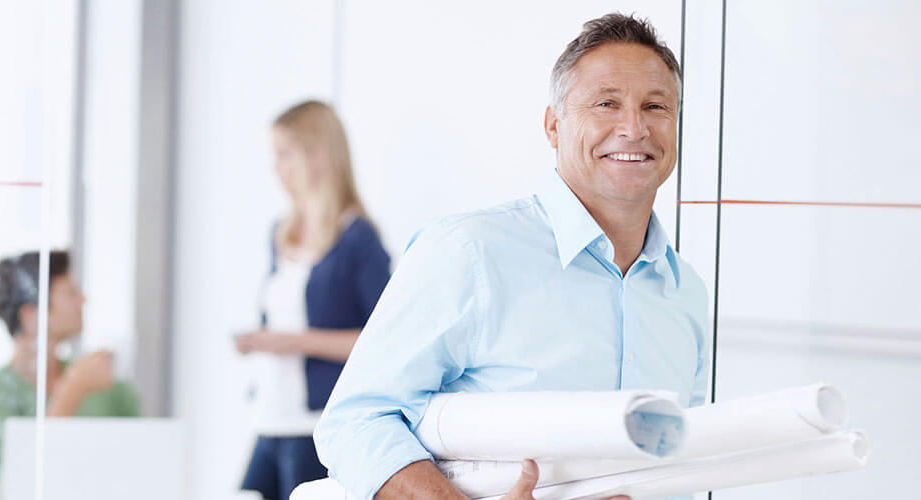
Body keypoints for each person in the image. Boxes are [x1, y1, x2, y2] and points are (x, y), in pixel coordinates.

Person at [313, 13, 708, 500]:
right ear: (554, 126)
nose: (634, 127)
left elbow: (686, 462)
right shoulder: (468, 253)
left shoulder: (685, 292)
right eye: (607, 103)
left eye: (655, 106)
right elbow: (355, 420)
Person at [233, 100, 391, 500]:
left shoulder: (358, 239)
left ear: (317, 156)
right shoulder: (280, 234)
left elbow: (383, 341)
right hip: (269, 418)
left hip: (315, 427)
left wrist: (295, 342)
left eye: (285, 155)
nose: (277, 168)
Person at [0, 250, 140, 496]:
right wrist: (73, 389)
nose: (83, 300)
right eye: (70, 293)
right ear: (31, 315)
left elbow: (142, 465)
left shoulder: (106, 384)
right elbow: (20, 486)